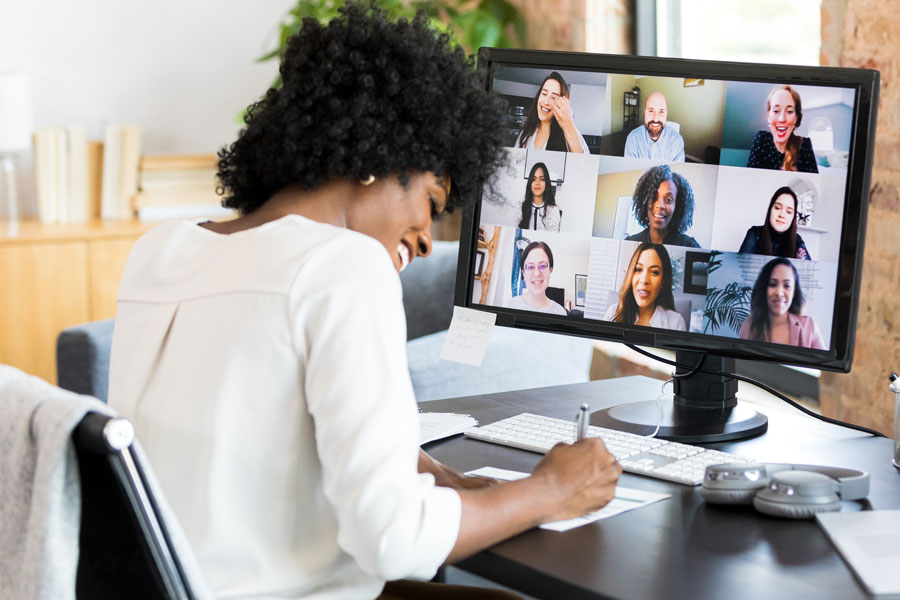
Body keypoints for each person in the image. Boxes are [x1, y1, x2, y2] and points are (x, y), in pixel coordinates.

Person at [106, 5, 621, 599]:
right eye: (431, 200)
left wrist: (432, 473)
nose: (428, 240)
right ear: (380, 158)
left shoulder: (160, 249)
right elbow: (391, 541)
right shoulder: (345, 268)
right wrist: (547, 491)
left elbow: (253, 432)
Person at [739, 258, 825, 348]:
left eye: (787, 286)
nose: (779, 293)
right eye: (772, 284)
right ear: (764, 288)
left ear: (794, 292)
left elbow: (823, 361)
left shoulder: (809, 326)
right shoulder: (748, 326)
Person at [603, 242, 686, 330]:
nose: (644, 280)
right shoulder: (613, 313)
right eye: (638, 269)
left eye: (654, 272)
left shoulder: (676, 323)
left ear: (663, 281)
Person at [747, 85, 819, 173]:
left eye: (789, 111)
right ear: (769, 115)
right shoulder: (762, 139)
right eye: (776, 110)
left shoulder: (804, 145)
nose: (782, 119)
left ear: (796, 118)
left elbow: (812, 184)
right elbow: (750, 178)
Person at [625, 164, 700, 247]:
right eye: (654, 197)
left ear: (677, 206)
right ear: (645, 201)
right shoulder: (630, 242)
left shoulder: (690, 247)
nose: (660, 205)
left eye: (668, 200)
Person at [515, 71, 590, 154]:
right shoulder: (525, 133)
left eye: (554, 97)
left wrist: (568, 125)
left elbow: (583, 163)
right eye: (544, 94)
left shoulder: (570, 133)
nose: (546, 102)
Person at [739, 186, 811, 259]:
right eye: (777, 208)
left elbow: (810, 268)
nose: (782, 215)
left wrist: (800, 262)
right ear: (770, 209)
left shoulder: (797, 240)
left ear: (793, 218)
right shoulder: (755, 234)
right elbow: (739, 267)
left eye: (789, 212)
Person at [505, 241, 568, 315]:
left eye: (543, 266)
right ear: (524, 273)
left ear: (550, 270)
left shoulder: (560, 312)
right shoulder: (510, 306)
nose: (537, 274)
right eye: (530, 267)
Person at [623, 92, 685, 162]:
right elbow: (631, 170)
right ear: (645, 113)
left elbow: (677, 171)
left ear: (666, 114)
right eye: (651, 111)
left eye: (661, 112)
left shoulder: (677, 141)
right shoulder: (633, 138)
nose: (655, 119)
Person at [518, 162, 561, 231]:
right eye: (534, 179)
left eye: (542, 179)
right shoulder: (520, 207)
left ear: (546, 183)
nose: (537, 183)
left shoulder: (553, 210)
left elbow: (553, 237)